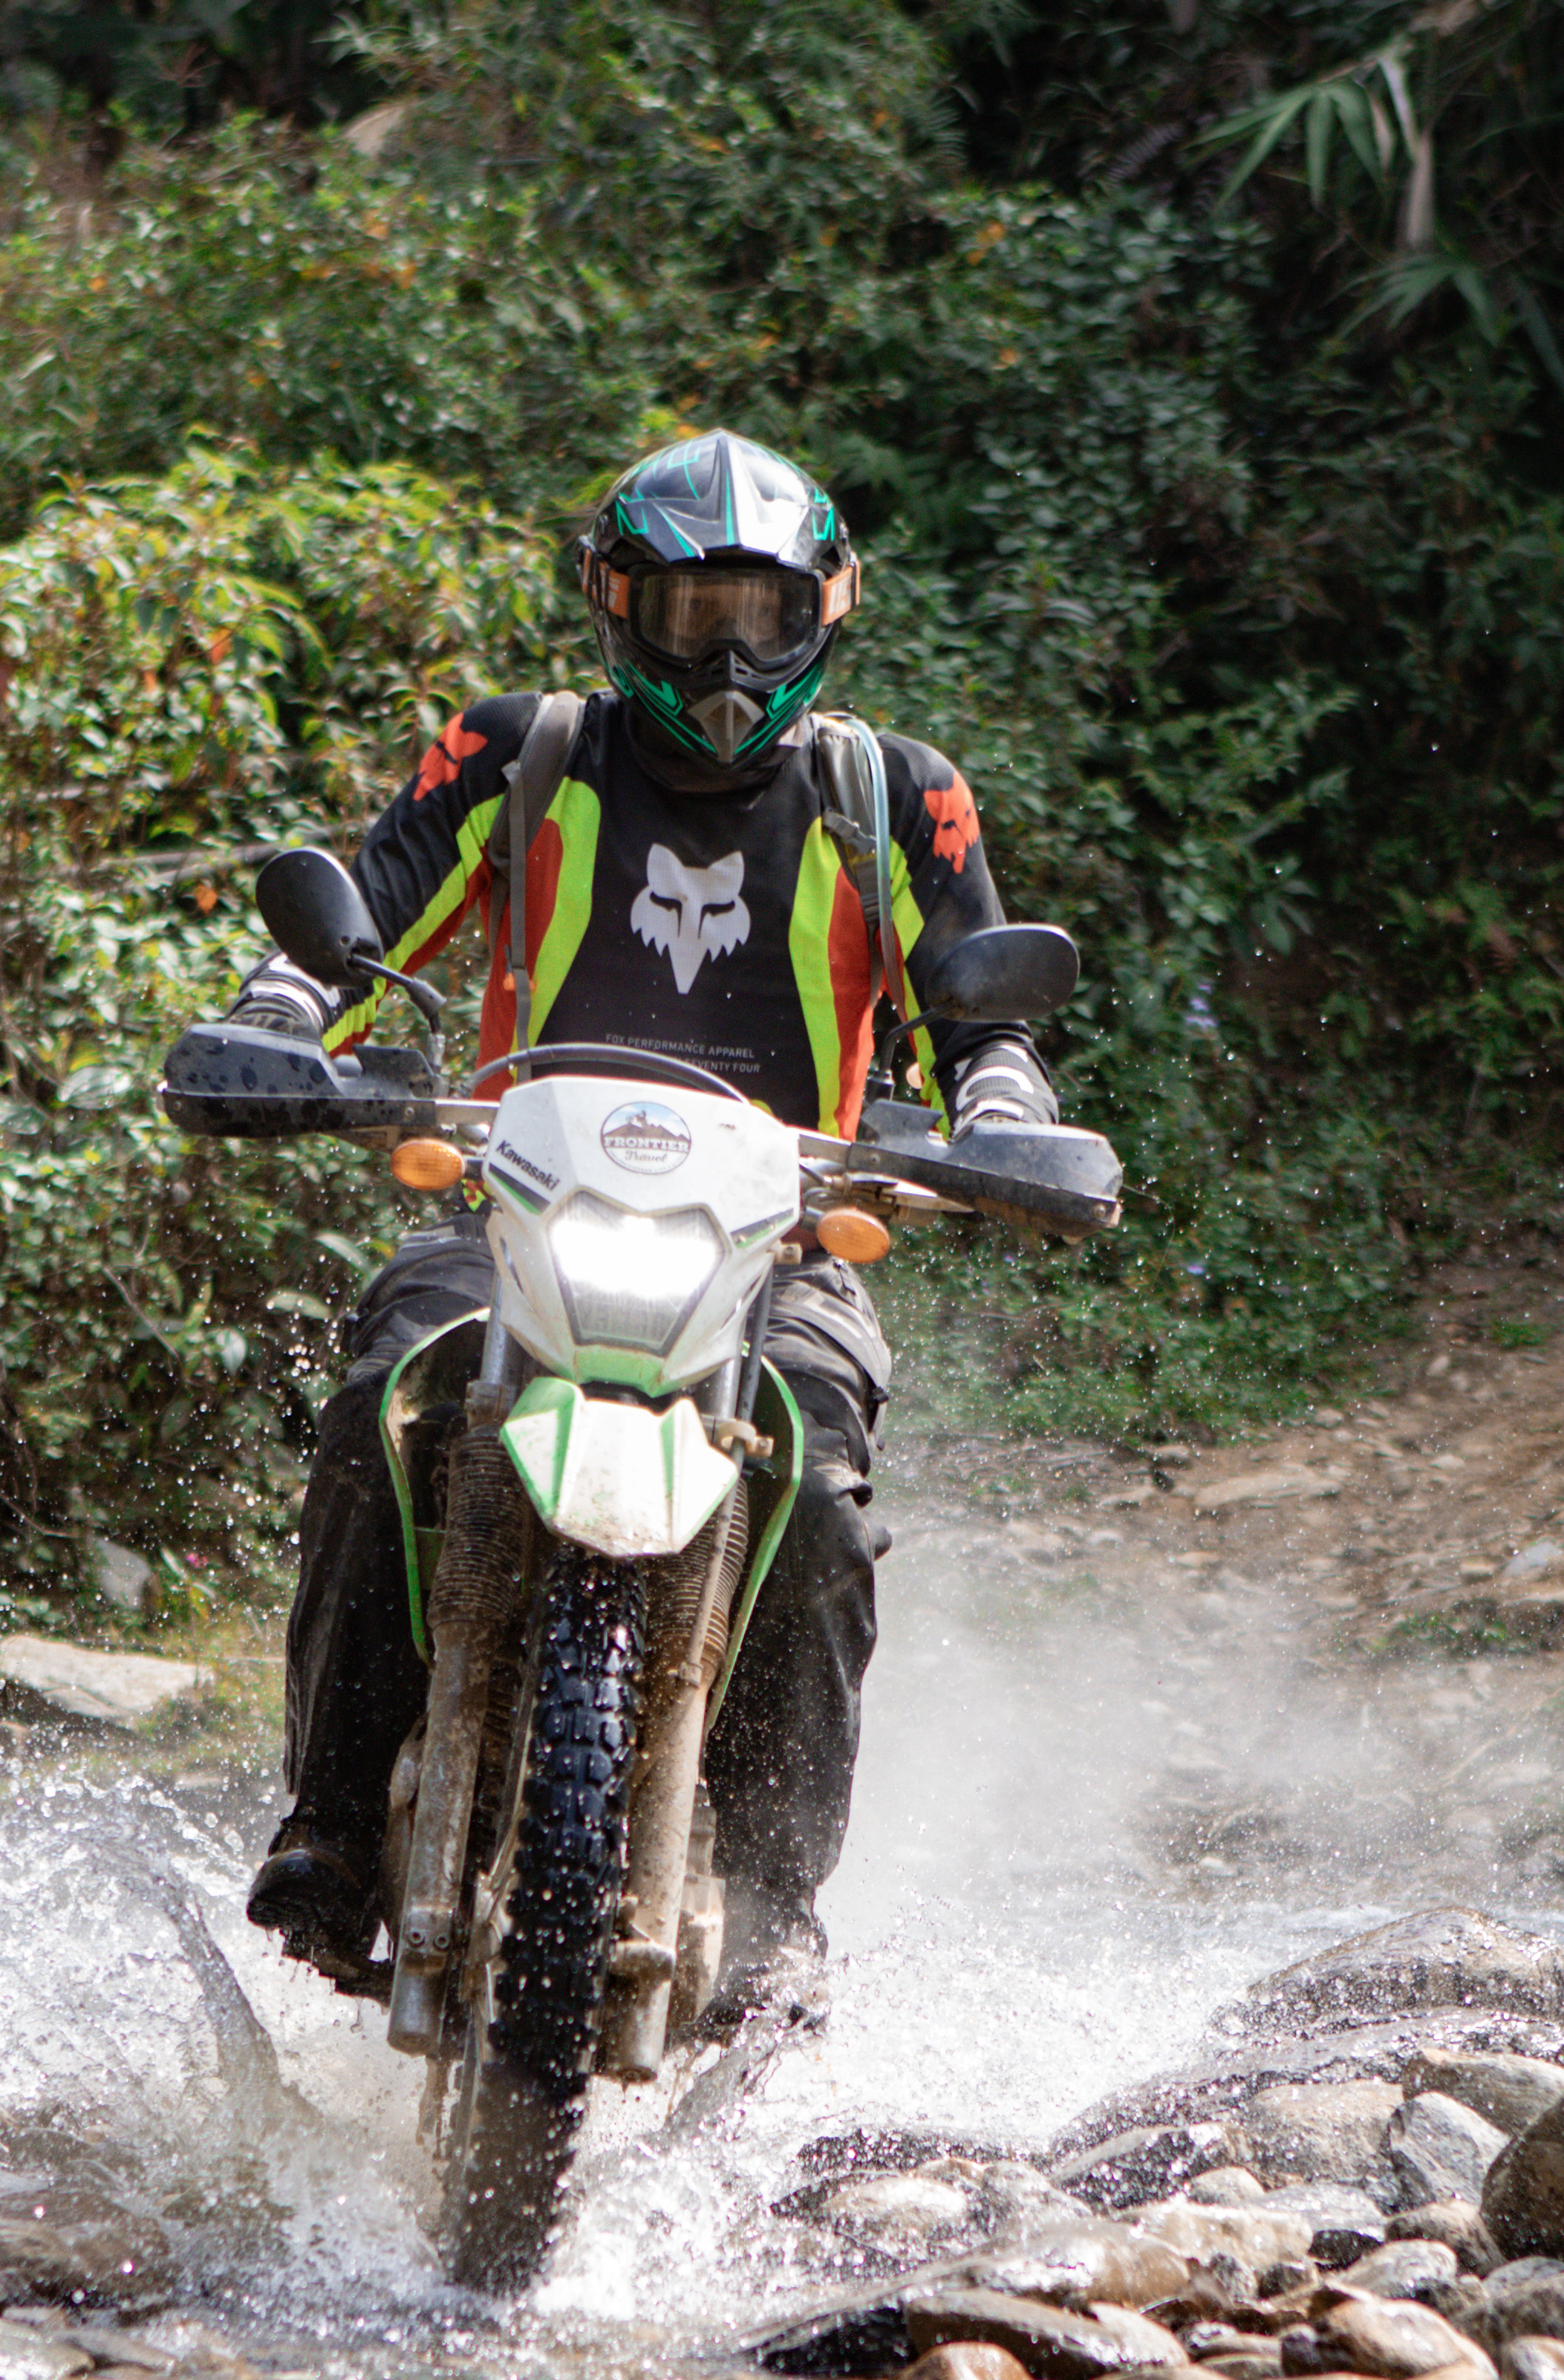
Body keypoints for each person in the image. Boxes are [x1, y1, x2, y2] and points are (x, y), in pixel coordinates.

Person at [220, 430, 1064, 2036]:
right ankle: (329, 1826)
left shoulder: (901, 798)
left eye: (758, 610)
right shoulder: (514, 753)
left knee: (816, 1489)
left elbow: (981, 1009)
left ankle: (782, 1904)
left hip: (788, 1246)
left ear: (828, 607)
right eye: (688, 615)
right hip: (514, 1207)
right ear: (618, 607)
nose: (728, 655)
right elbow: (375, 905)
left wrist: (1005, 1107)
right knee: (384, 1398)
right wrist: (284, 1002)